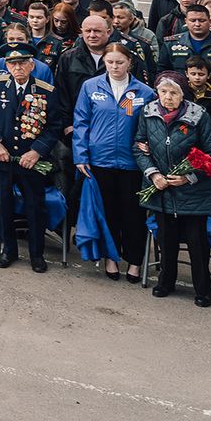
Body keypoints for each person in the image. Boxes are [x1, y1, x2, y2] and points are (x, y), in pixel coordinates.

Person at [136, 70, 211, 306]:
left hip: (193, 193)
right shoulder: (148, 112)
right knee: (166, 239)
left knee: (197, 242)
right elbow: (139, 147)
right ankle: (166, 282)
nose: (168, 97)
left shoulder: (199, 115)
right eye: (163, 92)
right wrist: (153, 174)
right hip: (162, 190)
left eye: (174, 93)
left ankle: (203, 289)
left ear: (183, 94)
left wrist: (189, 177)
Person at [0, 43, 61, 273]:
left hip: (31, 160)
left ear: (32, 65)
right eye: (12, 64)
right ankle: (8, 249)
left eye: (22, 63)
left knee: (35, 206)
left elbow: (54, 126)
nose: (18, 68)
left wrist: (37, 151)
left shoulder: (45, 91)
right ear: (6, 66)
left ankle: (37, 254)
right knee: (1, 204)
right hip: (1, 159)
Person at [72, 42, 147, 282]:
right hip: (99, 161)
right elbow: (81, 122)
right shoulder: (90, 87)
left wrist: (147, 145)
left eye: (120, 62)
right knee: (108, 213)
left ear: (129, 63)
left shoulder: (145, 92)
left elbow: (151, 126)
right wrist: (80, 155)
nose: (115, 67)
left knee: (133, 215)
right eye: (110, 62)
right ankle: (111, 258)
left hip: (132, 163)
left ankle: (135, 261)